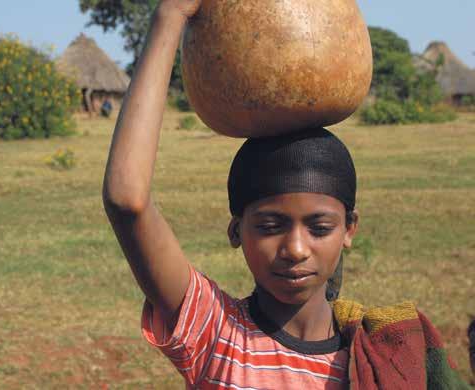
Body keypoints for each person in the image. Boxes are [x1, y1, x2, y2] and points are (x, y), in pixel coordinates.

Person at [102, 1, 469, 388]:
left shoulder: (388, 357)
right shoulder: (214, 333)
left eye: (320, 227)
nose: (295, 248)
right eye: (270, 225)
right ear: (235, 231)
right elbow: (128, 201)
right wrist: (170, 16)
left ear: (349, 228)